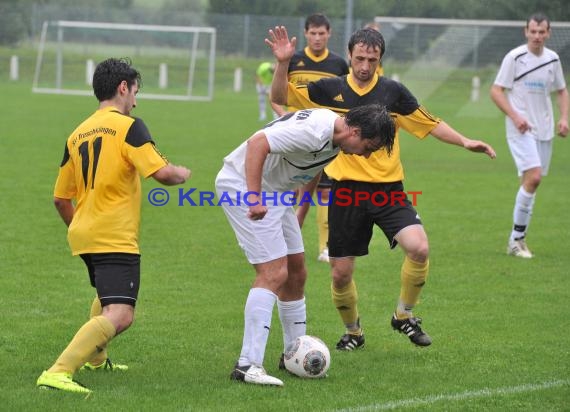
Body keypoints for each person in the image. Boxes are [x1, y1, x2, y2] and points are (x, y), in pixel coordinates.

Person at [267, 26, 496, 351]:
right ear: (349, 56)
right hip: (345, 191)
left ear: (380, 59)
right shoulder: (327, 90)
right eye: (359, 58)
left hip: (388, 190)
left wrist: (464, 141)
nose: (364, 66)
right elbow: (279, 98)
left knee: (419, 248)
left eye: (371, 59)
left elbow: (429, 123)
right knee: (340, 275)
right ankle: (354, 332)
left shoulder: (393, 93)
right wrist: (282, 64)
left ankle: (403, 316)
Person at [36, 58, 191, 394]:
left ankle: (96, 359)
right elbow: (162, 174)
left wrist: (80, 227)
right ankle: (58, 371)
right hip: (114, 234)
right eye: (135, 92)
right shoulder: (129, 126)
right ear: (123, 88)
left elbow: (61, 199)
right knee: (121, 313)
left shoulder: (77, 133)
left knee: (104, 295)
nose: (135, 101)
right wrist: (180, 173)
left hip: (83, 230)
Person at [215, 104, 396, 386]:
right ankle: (247, 365)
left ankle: (292, 355)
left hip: (277, 193)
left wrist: (301, 210)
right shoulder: (315, 131)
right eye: (369, 146)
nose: (367, 154)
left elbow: (313, 169)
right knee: (273, 273)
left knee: (297, 273)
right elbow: (257, 143)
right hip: (243, 186)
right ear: (355, 131)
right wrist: (253, 198)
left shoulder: (337, 141)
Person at [490, 12, 568, 258]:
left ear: (548, 33)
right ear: (526, 32)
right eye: (532, 31)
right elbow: (496, 91)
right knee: (534, 178)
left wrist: (564, 117)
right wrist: (515, 116)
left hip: (544, 130)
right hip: (521, 128)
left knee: (531, 183)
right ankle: (515, 240)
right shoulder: (515, 57)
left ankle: (518, 239)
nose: (537, 36)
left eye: (541, 32)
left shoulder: (553, 59)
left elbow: (562, 91)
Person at [284, 13, 350, 263]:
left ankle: (325, 247)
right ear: (305, 33)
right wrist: (284, 119)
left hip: (326, 138)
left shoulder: (339, 65)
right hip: (294, 137)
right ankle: (279, 240)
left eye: (322, 33)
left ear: (329, 34)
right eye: (313, 33)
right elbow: (278, 94)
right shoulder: (293, 59)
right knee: (288, 192)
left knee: (325, 193)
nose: (317, 38)